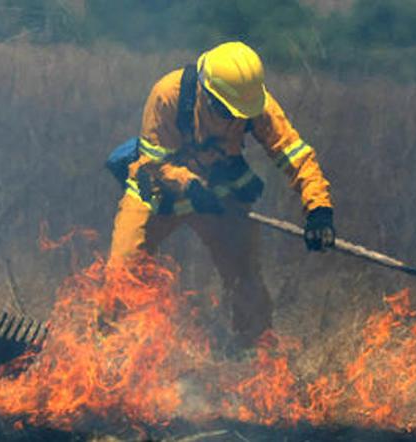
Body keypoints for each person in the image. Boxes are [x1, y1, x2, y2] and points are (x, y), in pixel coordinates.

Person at [107, 41, 334, 350]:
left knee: (247, 282)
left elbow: (296, 156)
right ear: (206, 92)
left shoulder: (256, 105)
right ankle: (106, 355)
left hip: (218, 198)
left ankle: (254, 359)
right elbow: (152, 164)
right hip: (156, 196)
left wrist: (318, 209)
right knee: (122, 273)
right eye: (226, 111)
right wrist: (190, 186)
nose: (232, 120)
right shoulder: (168, 95)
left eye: (239, 114)